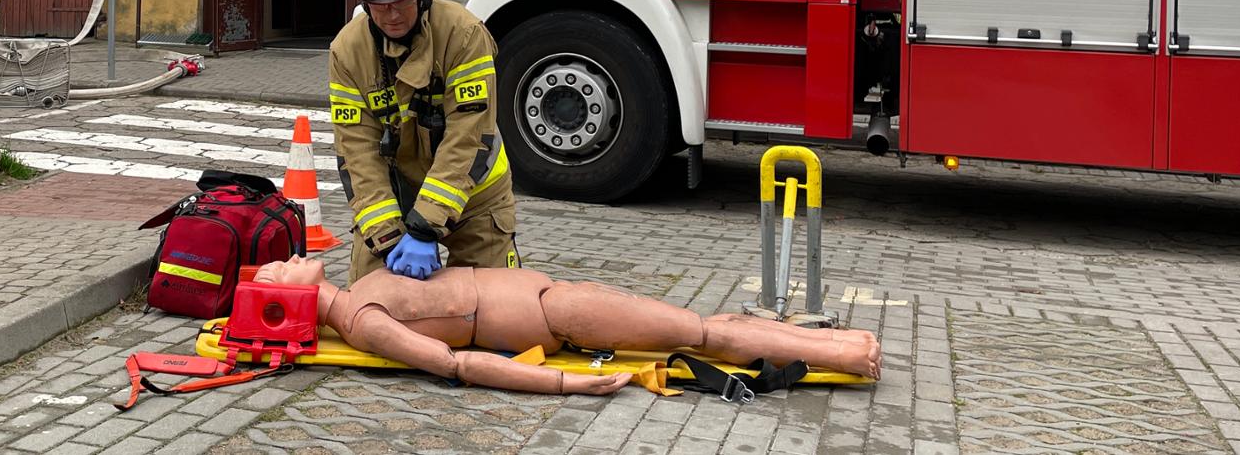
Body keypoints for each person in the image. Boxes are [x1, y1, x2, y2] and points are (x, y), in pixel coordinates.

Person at [253, 256, 881, 395]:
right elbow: (455, 366)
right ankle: (843, 352)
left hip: (553, 296)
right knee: (698, 333)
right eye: (278, 275)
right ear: (295, 303)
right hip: (554, 316)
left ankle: (830, 343)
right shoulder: (364, 320)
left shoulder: (362, 283)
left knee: (694, 326)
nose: (283, 262)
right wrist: (563, 384)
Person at [330, 0, 516, 285]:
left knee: (498, 310)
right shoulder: (347, 51)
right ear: (365, 2)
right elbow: (356, 151)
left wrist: (426, 226)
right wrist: (386, 238)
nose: (391, 14)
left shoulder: (463, 35)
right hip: (395, 193)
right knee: (369, 302)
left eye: (401, 1)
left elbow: (469, 137)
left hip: (475, 195)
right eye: (379, 5)